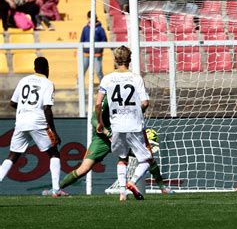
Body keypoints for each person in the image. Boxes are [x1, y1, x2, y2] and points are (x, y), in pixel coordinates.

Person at [59, 95, 173, 195]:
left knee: (148, 158)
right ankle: (57, 189)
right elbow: (94, 120)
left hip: (122, 134)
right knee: (84, 169)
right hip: (102, 140)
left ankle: (162, 188)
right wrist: (107, 133)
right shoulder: (108, 98)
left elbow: (140, 109)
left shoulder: (128, 98)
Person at [0, 57, 67, 197]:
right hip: (37, 121)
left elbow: (12, 103)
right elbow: (47, 108)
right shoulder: (48, 83)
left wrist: (26, 108)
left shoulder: (24, 80)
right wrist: (53, 131)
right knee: (54, 153)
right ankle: (56, 190)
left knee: (12, 156)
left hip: (21, 122)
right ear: (47, 68)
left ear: (34, 68)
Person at [95, 46, 153, 201]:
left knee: (122, 158)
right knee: (146, 159)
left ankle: (122, 193)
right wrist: (137, 110)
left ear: (115, 60)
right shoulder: (136, 78)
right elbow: (145, 102)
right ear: (130, 59)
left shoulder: (107, 79)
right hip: (134, 124)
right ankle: (132, 182)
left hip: (117, 125)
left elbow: (98, 104)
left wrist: (100, 123)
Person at [80, 11, 107, 82]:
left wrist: (98, 49)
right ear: (88, 18)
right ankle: (79, 85)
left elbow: (104, 41)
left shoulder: (100, 29)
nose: (91, 19)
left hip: (97, 54)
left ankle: (102, 85)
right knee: (82, 70)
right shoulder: (85, 28)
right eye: (90, 17)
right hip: (86, 54)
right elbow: (81, 40)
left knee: (98, 71)